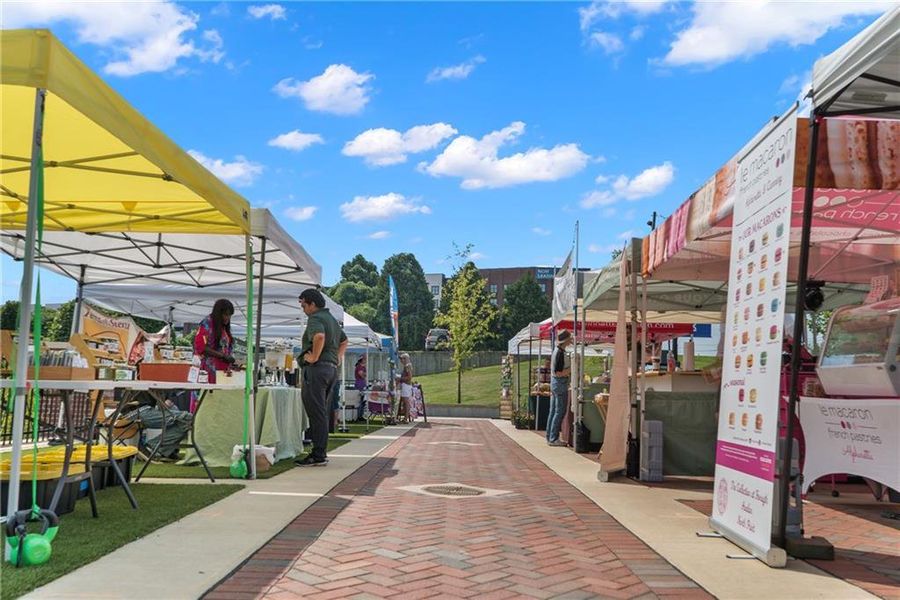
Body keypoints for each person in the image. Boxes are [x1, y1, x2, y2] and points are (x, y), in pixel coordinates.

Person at [296, 288, 347, 467]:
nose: (303, 308)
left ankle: (318, 454)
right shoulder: (332, 320)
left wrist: (315, 357)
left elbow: (319, 336)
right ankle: (319, 452)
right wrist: (337, 358)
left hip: (317, 369)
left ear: (312, 304)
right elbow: (344, 341)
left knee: (316, 412)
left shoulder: (315, 318)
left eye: (304, 304)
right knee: (321, 412)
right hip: (331, 369)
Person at [193, 299, 236, 385]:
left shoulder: (223, 327)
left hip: (222, 371)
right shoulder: (207, 323)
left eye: (230, 315)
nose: (228, 318)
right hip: (208, 371)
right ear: (218, 313)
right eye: (226, 314)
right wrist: (223, 356)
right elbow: (201, 347)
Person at [547, 330, 573, 446]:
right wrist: (572, 368)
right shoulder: (560, 353)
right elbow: (558, 372)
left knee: (553, 411)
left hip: (555, 384)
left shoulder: (557, 351)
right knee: (559, 411)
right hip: (559, 383)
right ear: (566, 340)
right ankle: (553, 438)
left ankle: (550, 436)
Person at [398, 353, 414, 423]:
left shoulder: (407, 366)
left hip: (406, 385)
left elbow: (409, 377)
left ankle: (406, 418)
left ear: (405, 359)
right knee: (404, 402)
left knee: (406, 402)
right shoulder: (407, 366)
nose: (401, 360)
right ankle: (405, 417)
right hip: (406, 385)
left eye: (402, 359)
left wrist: (400, 378)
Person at [354, 356, 367, 421]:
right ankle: (358, 416)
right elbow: (362, 375)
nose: (366, 360)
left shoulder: (363, 367)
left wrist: (364, 374)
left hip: (363, 384)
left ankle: (361, 415)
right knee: (360, 400)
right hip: (359, 385)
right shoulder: (359, 367)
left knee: (363, 401)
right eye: (365, 359)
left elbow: (364, 375)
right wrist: (364, 374)